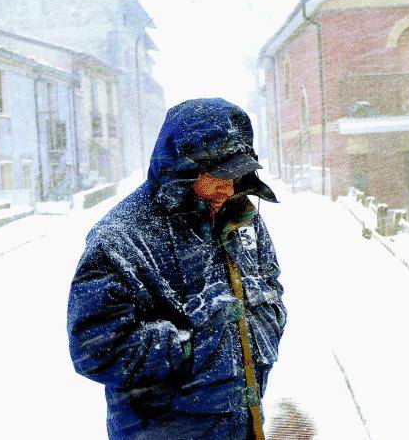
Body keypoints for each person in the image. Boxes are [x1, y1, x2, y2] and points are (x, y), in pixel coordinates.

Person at [67, 98, 287, 439]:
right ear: (184, 170)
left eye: (238, 175)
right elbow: (94, 349)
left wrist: (264, 329)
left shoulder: (242, 219)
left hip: (243, 426)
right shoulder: (121, 238)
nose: (227, 189)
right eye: (219, 176)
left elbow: (270, 287)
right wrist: (190, 344)